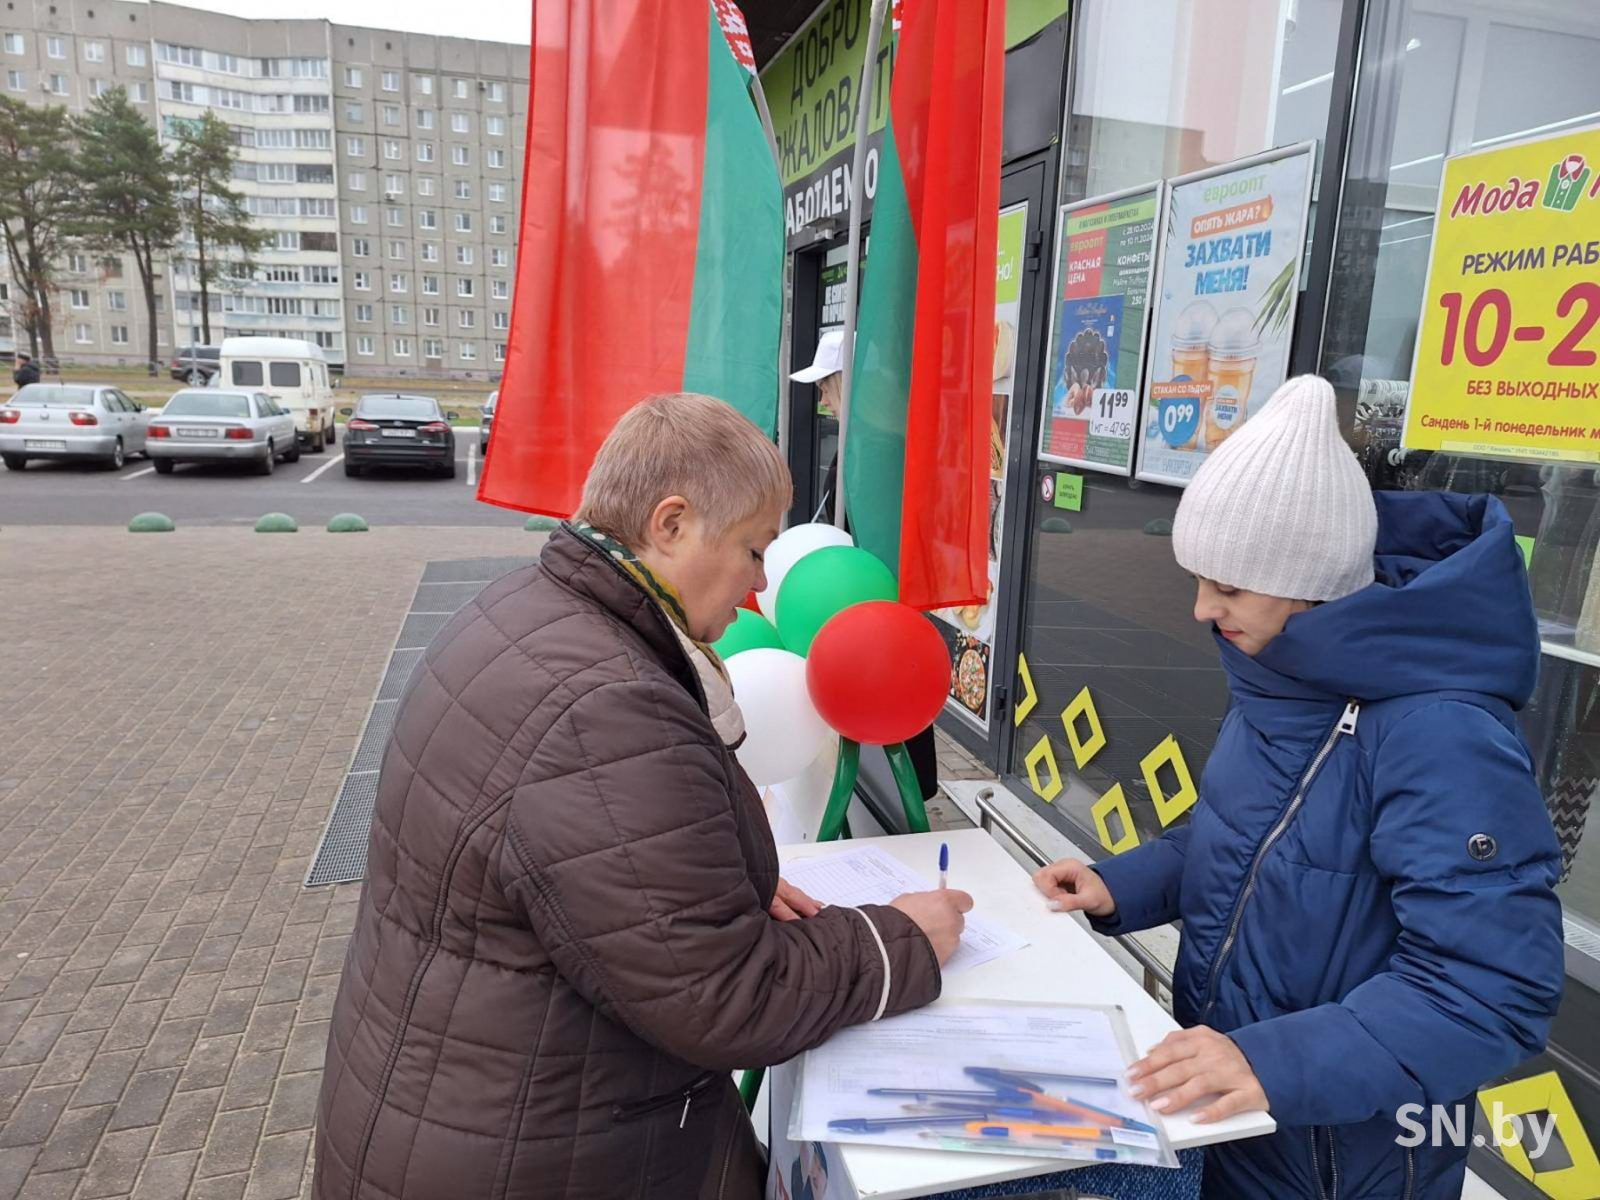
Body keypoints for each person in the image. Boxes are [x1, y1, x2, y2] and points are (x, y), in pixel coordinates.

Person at [314, 392, 972, 1200]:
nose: (761, 584)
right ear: (671, 525)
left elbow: (585, 875)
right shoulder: (609, 707)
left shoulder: (525, 610)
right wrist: (899, 937)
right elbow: (725, 999)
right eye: (753, 549)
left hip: (458, 1109)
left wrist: (706, 889)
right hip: (532, 1151)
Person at [1033, 376, 1564, 1199]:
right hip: (1240, 1109)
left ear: (1312, 581)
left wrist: (1272, 1064)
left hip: (1346, 1157)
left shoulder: (1441, 732)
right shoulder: (1278, 672)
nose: (1202, 610)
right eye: (1197, 580)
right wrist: (1119, 884)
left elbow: (1489, 989)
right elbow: (1240, 839)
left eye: (1229, 587)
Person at [790, 331, 942, 807]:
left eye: (826, 386)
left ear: (848, 383)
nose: (822, 399)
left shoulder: (871, 451)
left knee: (888, 696)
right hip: (869, 605)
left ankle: (899, 797)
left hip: (871, 606)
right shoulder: (867, 445)